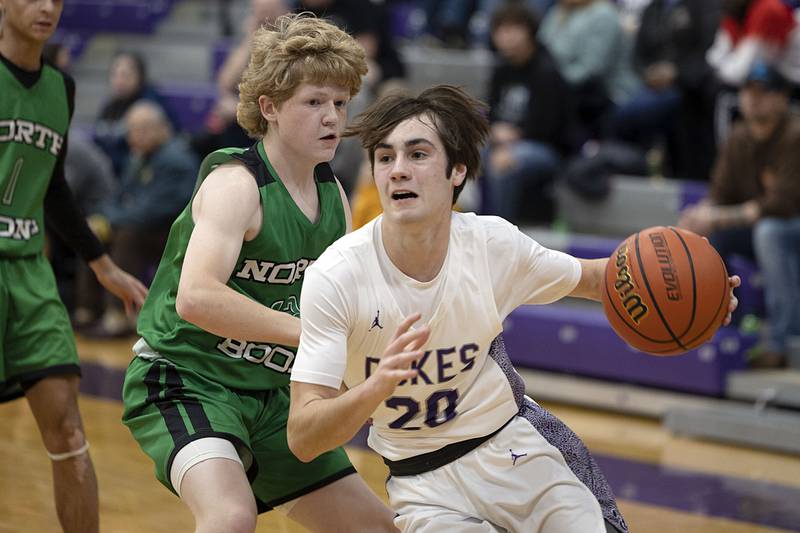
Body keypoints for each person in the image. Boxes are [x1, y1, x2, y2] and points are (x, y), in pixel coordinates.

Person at [288, 85, 741, 532]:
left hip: (516, 449)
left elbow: (599, 277)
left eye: (418, 154)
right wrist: (374, 388)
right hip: (423, 485)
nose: (397, 171)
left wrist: (700, 291)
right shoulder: (337, 277)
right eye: (385, 158)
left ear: (457, 172)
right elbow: (304, 438)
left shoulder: (491, 245)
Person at [120, 14, 397, 532]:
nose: (332, 117)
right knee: (229, 516)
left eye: (340, 102)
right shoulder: (237, 185)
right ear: (268, 107)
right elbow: (196, 297)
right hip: (189, 377)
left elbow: (348, 304)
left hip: (272, 394)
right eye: (314, 102)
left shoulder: (334, 196)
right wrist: (312, 335)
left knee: (379, 528)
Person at [0, 1, 149, 532]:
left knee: (67, 431)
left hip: (28, 273)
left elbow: (54, 186)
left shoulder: (60, 88)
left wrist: (101, 263)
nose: (46, 8)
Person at [679, 61, 800, 367]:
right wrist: (697, 216)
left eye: (764, 92)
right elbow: (719, 194)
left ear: (783, 97)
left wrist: (717, 215)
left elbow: (782, 204)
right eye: (748, 91)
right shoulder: (738, 136)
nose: (754, 98)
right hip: (763, 226)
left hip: (789, 226)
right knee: (705, 234)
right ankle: (722, 324)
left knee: (769, 231)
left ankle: (782, 341)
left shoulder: (795, 135)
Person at [484, 2, 574, 223]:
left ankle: (499, 231)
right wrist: (495, 131)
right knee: (465, 152)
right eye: (501, 30)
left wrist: (515, 137)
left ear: (529, 32)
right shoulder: (500, 70)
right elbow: (491, 113)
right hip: (504, 141)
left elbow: (550, 128)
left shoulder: (547, 71)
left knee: (505, 164)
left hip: (545, 149)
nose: (506, 37)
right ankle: (472, 221)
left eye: (513, 29)